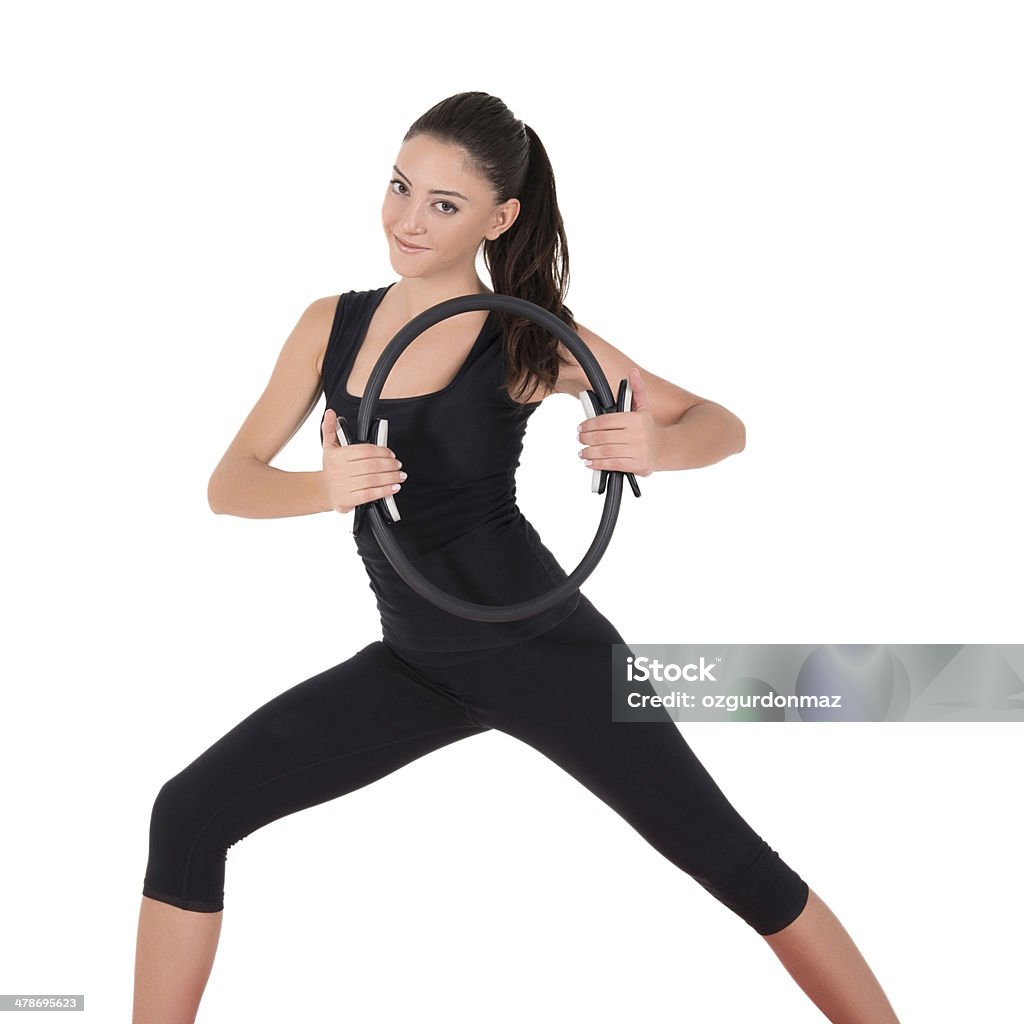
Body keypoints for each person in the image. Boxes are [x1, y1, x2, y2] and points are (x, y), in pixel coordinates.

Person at [132, 91, 902, 1024]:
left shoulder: (526, 336)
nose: (409, 220)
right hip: (415, 663)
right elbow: (231, 483)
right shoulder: (328, 324)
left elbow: (719, 424)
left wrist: (654, 447)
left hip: (548, 654)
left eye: (444, 205)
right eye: (400, 187)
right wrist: (323, 489)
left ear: (499, 220)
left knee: (738, 867)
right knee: (187, 814)